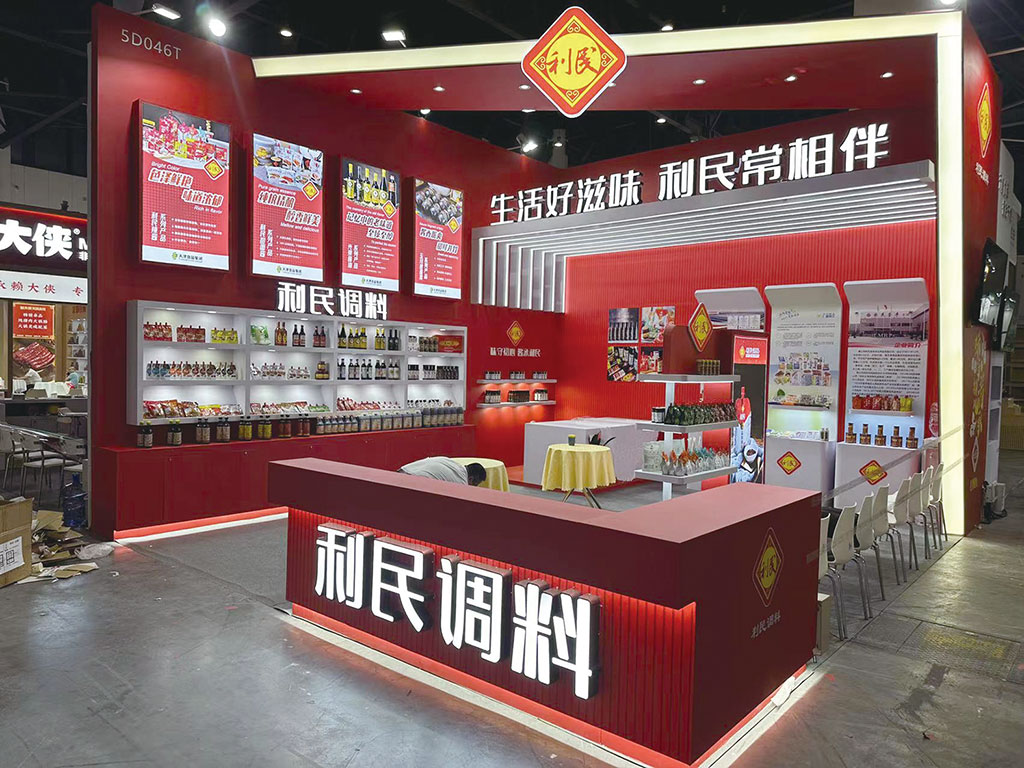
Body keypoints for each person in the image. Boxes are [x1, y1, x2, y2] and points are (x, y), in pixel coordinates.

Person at [399, 456, 487, 487]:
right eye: (475, 485)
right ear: (471, 479)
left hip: (401, 472)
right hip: (409, 483)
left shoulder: (451, 462)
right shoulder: (462, 484)